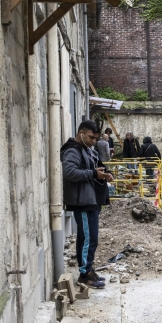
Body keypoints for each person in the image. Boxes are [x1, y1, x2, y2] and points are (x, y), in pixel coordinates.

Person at [60, 120, 113, 288]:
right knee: (88, 239)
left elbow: (94, 168)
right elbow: (69, 172)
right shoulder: (72, 150)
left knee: (90, 238)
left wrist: (104, 174)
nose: (94, 141)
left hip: (90, 200)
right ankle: (84, 274)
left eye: (96, 139)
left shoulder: (86, 149)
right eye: (91, 137)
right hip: (82, 202)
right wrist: (93, 173)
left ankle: (88, 269)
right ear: (81, 133)